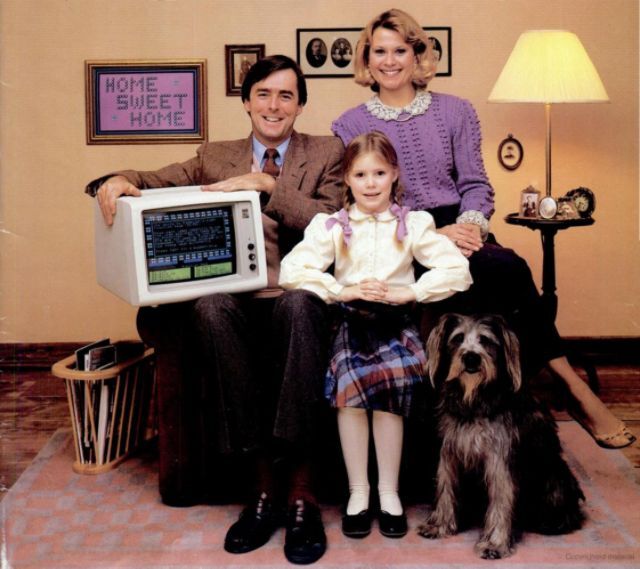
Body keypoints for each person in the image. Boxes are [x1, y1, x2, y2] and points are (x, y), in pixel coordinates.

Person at [331, 8, 635, 450]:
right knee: (458, 287)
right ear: (367, 58)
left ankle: (567, 388)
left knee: (506, 268)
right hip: (398, 237)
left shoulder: (456, 111)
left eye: (401, 49)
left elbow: (475, 183)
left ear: (418, 55)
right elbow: (363, 196)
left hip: (464, 224)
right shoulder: (350, 124)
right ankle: (484, 413)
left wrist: (467, 227)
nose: (390, 60)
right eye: (380, 51)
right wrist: (431, 236)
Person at [86, 55, 344, 565]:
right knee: (210, 306)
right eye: (264, 94)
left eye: (286, 95)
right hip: (239, 302)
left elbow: (337, 221)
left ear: (300, 105)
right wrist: (116, 178)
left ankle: (300, 496)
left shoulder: (328, 152)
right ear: (247, 102)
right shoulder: (215, 155)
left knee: (296, 307)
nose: (274, 106)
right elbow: (157, 179)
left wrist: (270, 187)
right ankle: (262, 487)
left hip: (301, 296)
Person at [279, 131, 471, 539]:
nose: (370, 183)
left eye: (379, 173)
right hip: (349, 322)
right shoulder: (332, 225)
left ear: (394, 175)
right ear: (346, 179)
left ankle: (388, 492)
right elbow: (291, 272)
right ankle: (358, 492)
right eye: (361, 174)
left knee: (391, 389)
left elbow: (459, 270)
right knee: (351, 390)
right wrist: (340, 289)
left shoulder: (412, 224)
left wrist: (411, 291)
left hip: (395, 325)